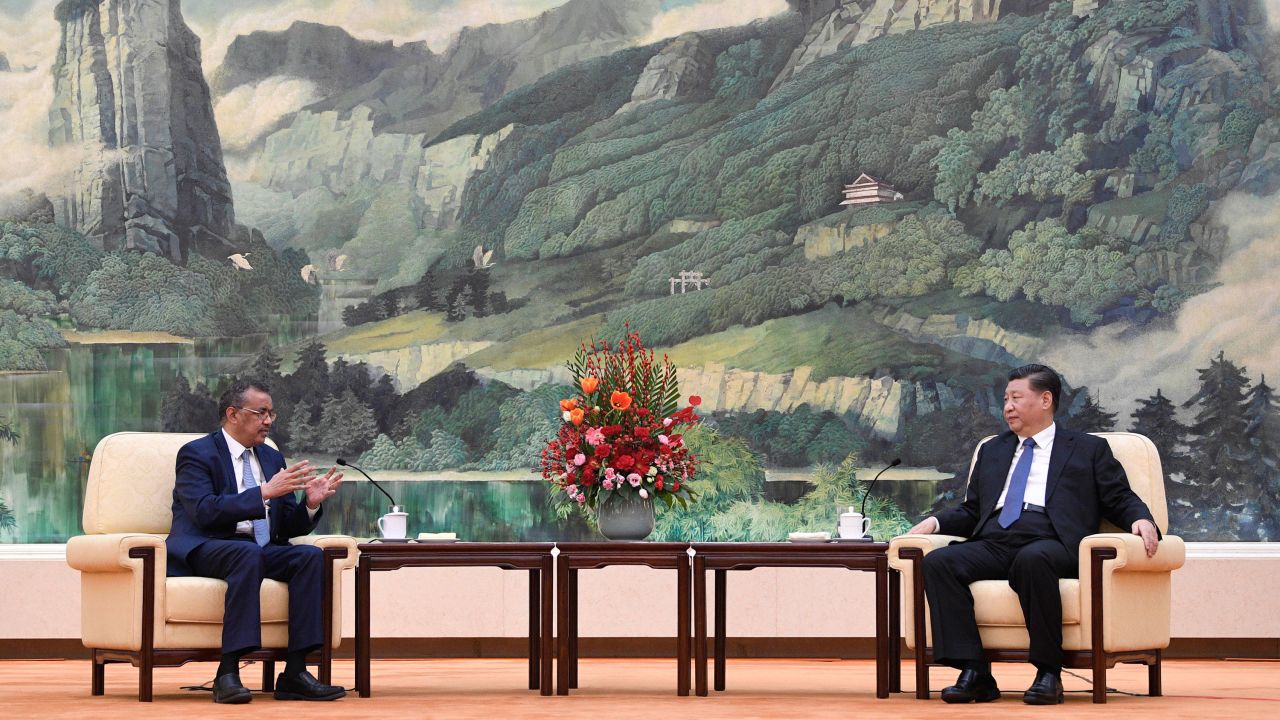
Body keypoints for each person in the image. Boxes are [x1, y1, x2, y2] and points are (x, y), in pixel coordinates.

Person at [908, 364, 1160, 705]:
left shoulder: (1086, 449)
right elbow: (974, 509)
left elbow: (1118, 497)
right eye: (1005, 399)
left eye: (1016, 398)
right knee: (939, 562)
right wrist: (936, 523)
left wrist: (1142, 518)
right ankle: (975, 671)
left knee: (1032, 559)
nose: (1007, 407)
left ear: (1045, 400)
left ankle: (1048, 672)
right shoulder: (993, 449)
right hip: (996, 539)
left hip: (1052, 540)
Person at [167, 379, 345, 703]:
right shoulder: (197, 454)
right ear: (233, 414)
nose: (268, 421)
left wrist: (310, 503)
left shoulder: (271, 458)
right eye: (261, 412)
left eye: (271, 414)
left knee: (309, 557)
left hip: (257, 549)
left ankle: (295, 673)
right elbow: (204, 511)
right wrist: (262, 492)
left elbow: (284, 527)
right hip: (207, 544)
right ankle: (228, 672)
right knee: (245, 553)